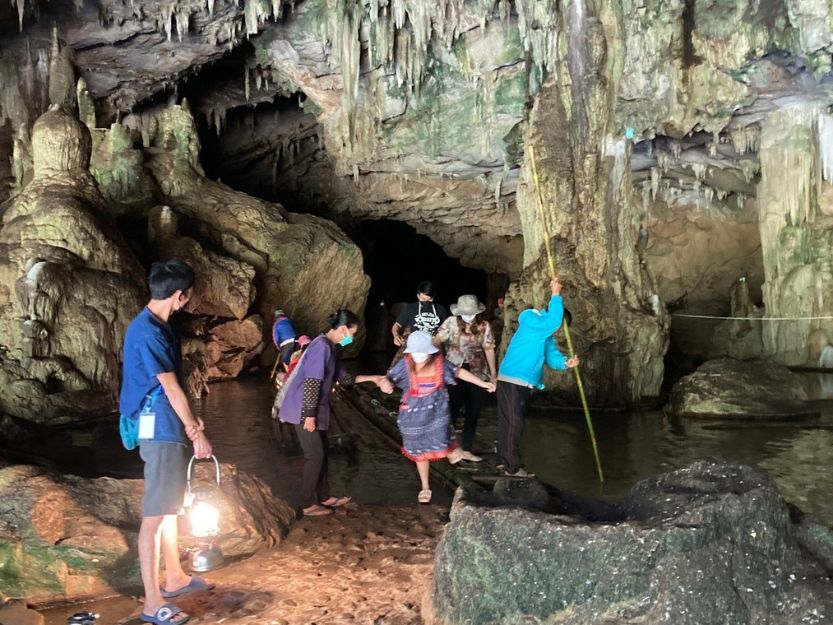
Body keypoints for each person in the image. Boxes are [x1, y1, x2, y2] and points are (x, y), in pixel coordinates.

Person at [120, 259, 214, 625]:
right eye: (187, 296)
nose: (187, 302)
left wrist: (188, 419)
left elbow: (173, 390)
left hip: (165, 425)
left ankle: (174, 577)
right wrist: (196, 430)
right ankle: (151, 602)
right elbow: (170, 386)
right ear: (179, 295)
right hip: (158, 429)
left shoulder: (158, 326)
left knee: (171, 505)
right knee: (154, 515)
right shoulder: (148, 332)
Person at [276, 310, 393, 517]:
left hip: (313, 408)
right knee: (315, 455)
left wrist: (374, 378)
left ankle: (323, 497)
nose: (352, 338)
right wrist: (309, 415)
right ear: (342, 329)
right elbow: (312, 382)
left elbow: (345, 378)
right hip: (302, 409)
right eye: (352, 334)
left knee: (322, 452)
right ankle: (307, 504)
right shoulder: (321, 347)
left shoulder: (329, 347)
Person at [386, 331, 495, 504]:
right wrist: (386, 385)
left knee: (443, 429)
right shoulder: (405, 364)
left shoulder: (439, 363)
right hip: (413, 414)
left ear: (430, 352)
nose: (418, 357)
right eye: (415, 353)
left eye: (422, 353)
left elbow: (458, 373)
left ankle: (453, 450)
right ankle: (425, 487)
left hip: (436, 410)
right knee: (420, 452)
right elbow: (389, 379)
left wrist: (482, 383)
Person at [496, 278, 579, 478]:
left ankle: (504, 461)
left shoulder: (544, 335)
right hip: (512, 380)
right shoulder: (532, 321)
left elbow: (551, 356)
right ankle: (512, 468)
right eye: (559, 327)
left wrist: (565, 362)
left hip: (521, 382)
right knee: (514, 423)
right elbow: (552, 322)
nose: (557, 331)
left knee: (510, 422)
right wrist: (556, 294)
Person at [433, 294, 497, 462]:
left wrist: (493, 374)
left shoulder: (484, 326)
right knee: (451, 408)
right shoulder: (450, 323)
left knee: (474, 410)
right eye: (465, 313)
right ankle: (447, 448)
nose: (468, 316)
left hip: (477, 371)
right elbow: (436, 341)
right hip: (453, 369)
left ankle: (467, 449)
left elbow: (489, 349)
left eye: (472, 313)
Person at [391, 281, 450, 346]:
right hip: (414, 343)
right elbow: (397, 325)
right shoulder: (411, 308)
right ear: (418, 296)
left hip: (434, 343)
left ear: (434, 297)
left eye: (429, 299)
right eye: (423, 299)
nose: (426, 302)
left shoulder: (441, 309)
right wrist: (396, 336)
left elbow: (448, 329)